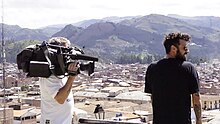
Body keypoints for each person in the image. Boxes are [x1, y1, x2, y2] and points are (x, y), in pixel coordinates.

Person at [145, 32, 202, 124]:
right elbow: (196, 97)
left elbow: (153, 97)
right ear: (173, 49)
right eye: (184, 48)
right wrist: (199, 121)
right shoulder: (188, 68)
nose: (186, 51)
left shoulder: (152, 68)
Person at [39, 37, 79, 124]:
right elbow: (60, 99)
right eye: (65, 53)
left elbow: (66, 93)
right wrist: (72, 77)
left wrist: (71, 110)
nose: (67, 56)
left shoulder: (60, 72)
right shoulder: (48, 75)